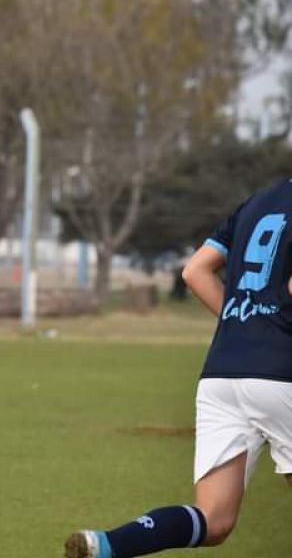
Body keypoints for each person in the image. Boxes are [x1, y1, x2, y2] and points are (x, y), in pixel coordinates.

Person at [65, 178, 292, 558]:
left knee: (214, 518)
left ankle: (107, 545)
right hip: (282, 373)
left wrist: (247, 326)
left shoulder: (259, 200)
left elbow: (195, 271)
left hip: (222, 373)